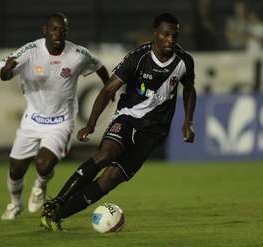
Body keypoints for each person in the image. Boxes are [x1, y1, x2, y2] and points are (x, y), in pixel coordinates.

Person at [40, 12, 197, 231]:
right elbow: (107, 91)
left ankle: (57, 216)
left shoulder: (184, 61)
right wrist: (91, 124)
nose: (170, 40)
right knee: (106, 154)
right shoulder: (138, 57)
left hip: (153, 133)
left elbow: (189, 90)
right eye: (165, 35)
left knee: (111, 179)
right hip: (127, 117)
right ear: (155, 34)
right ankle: (58, 200)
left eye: (174, 35)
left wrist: (188, 122)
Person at [0, 13, 110, 220]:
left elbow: (100, 66)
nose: (58, 33)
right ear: (45, 30)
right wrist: (6, 71)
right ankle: (14, 205)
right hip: (32, 118)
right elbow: (4, 74)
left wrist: (108, 88)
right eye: (54, 29)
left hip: (61, 120)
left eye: (62, 30)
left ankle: (40, 186)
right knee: (16, 169)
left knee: (43, 164)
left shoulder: (77, 54)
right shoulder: (30, 51)